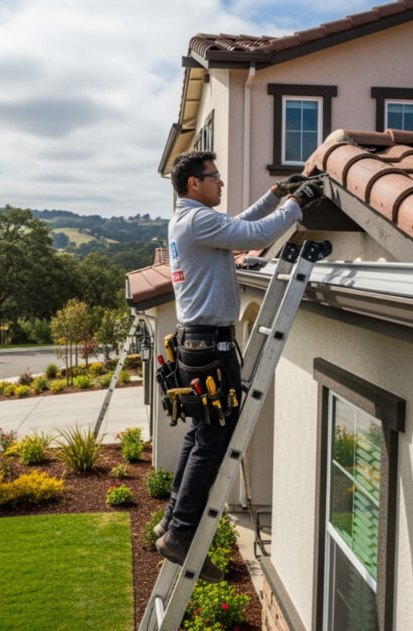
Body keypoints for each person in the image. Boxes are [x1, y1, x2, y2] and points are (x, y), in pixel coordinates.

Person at [154, 150, 321, 582]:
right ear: (194, 183)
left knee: (199, 432)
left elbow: (242, 223)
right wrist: (298, 204)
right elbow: (255, 233)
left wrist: (274, 195)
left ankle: (172, 520)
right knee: (214, 436)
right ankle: (183, 533)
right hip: (211, 345)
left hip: (197, 342)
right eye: (214, 177)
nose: (220, 183)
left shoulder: (187, 219)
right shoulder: (198, 221)